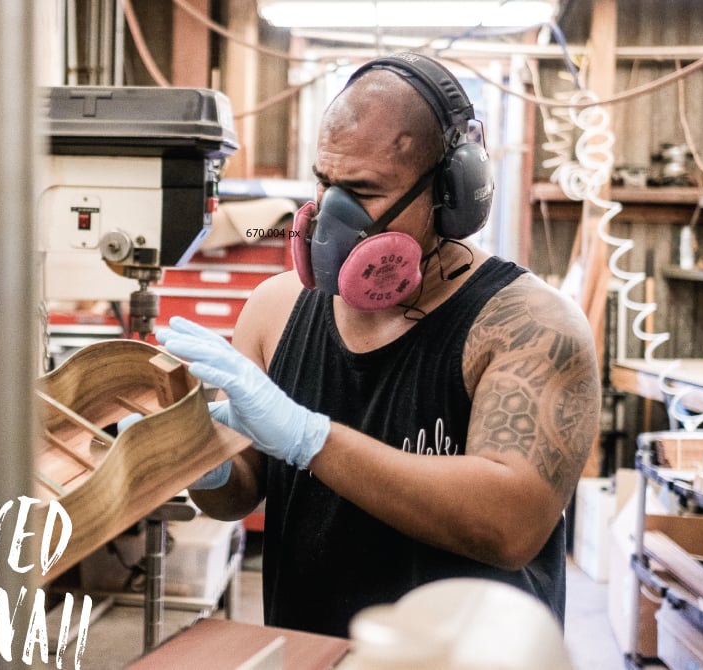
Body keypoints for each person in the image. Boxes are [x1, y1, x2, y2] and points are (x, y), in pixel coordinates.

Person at [157, 51, 600, 639]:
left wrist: (309, 438)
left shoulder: (530, 327)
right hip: (314, 653)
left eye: (363, 191)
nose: (332, 215)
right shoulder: (275, 308)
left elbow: (509, 528)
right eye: (325, 182)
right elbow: (240, 491)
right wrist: (197, 456)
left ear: (453, 194)